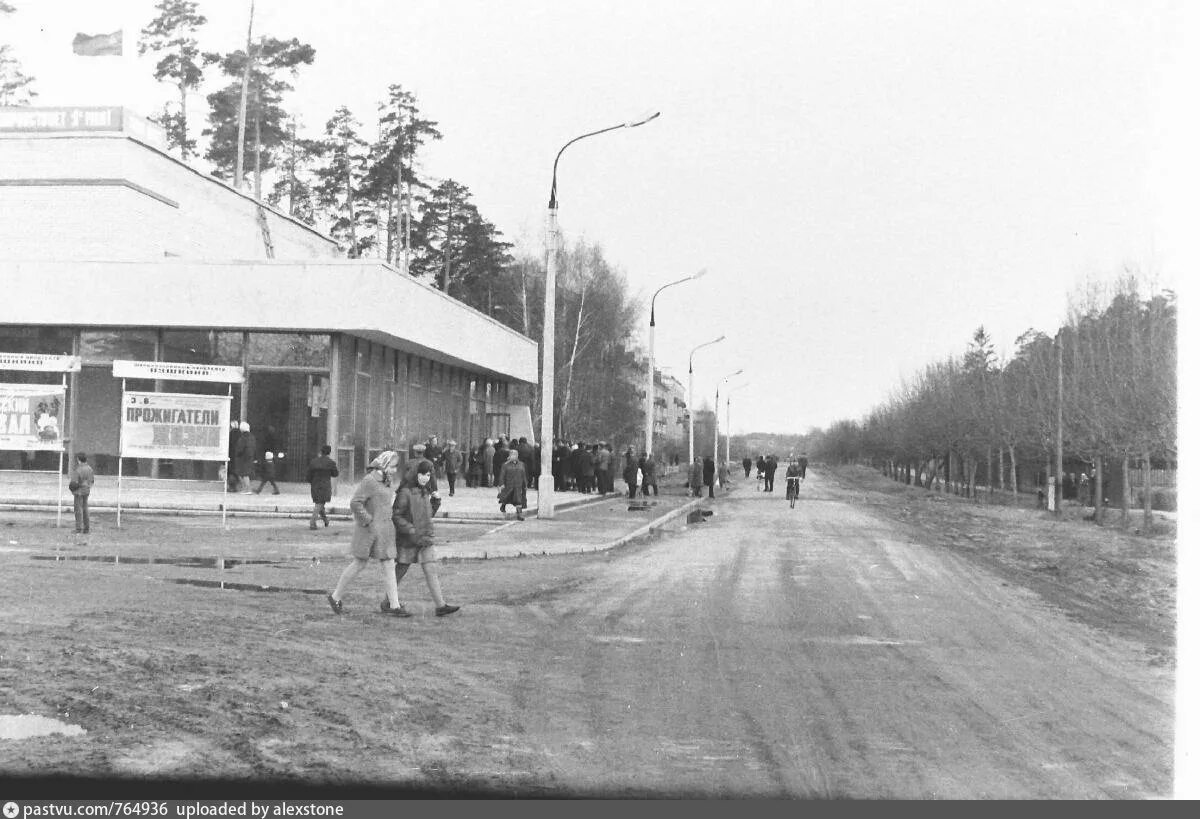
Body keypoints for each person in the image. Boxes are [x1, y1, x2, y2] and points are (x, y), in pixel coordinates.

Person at [326, 450, 406, 617]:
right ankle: (336, 597)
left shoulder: (387, 481)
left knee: (388, 563)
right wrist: (368, 520)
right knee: (359, 563)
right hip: (369, 531)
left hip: (384, 531)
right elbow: (355, 503)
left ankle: (394, 605)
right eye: (392, 466)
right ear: (383, 465)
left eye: (395, 467)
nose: (394, 470)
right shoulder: (369, 480)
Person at [386, 461, 460, 617]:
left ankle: (440, 605)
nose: (425, 478)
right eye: (422, 474)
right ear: (415, 474)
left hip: (424, 539)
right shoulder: (405, 492)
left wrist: (436, 503)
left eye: (428, 475)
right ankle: (388, 602)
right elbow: (396, 515)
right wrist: (410, 529)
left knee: (430, 570)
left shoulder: (424, 491)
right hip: (409, 539)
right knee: (401, 570)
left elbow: (427, 515)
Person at [306, 444, 339, 529]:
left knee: (320, 504)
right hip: (325, 486)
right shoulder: (331, 463)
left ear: (321, 451)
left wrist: (312, 482)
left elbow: (308, 476)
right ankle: (312, 523)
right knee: (320, 504)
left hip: (315, 485)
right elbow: (335, 474)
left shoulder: (314, 461)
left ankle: (326, 520)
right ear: (329, 452)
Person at [497, 448, 528, 520]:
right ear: (510, 456)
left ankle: (519, 515)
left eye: (515, 455)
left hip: (518, 485)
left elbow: (524, 475)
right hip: (508, 485)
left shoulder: (521, 464)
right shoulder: (505, 465)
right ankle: (503, 506)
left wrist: (525, 484)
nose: (514, 456)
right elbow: (502, 475)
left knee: (518, 500)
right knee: (506, 498)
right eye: (512, 455)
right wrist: (501, 484)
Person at [70, 451, 95, 534]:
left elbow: (74, 483)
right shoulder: (90, 469)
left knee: (78, 510)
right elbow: (92, 481)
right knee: (85, 509)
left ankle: (78, 528)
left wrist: (72, 489)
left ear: (78, 460)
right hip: (86, 491)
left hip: (78, 492)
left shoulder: (78, 470)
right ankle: (86, 528)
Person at [234, 421, 256, 493]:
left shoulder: (242, 438)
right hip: (250, 457)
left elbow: (240, 448)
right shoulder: (252, 437)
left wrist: (237, 454)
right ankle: (246, 489)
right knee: (246, 474)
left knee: (243, 474)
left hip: (242, 458)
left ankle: (247, 489)